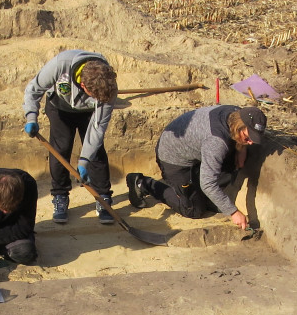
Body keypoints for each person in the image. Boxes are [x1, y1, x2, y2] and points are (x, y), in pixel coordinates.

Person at [126, 105, 265, 230]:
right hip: (172, 158)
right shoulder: (216, 143)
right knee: (194, 209)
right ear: (238, 127)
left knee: (218, 185)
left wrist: (242, 148)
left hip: (195, 149)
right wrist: (234, 212)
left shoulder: (237, 112)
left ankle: (192, 189)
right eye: (247, 138)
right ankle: (143, 183)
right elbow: (208, 184)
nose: (251, 142)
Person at [22, 50, 118, 224]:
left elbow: (97, 128)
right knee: (61, 148)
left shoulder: (108, 86)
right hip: (59, 107)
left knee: (96, 152)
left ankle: (103, 197)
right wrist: (31, 116)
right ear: (83, 86)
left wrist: (84, 161)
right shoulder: (60, 65)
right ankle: (60, 196)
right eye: (93, 96)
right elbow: (33, 89)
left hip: (88, 113)